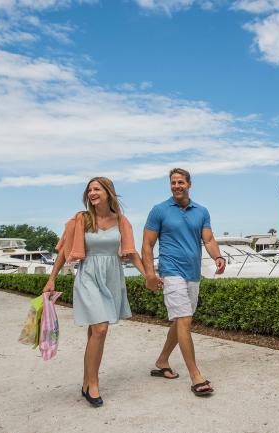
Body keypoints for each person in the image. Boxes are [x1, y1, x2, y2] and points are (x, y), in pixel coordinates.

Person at [43, 177, 147, 407]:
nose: (92, 192)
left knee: (95, 333)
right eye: (89, 189)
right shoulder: (81, 219)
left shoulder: (121, 221)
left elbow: (131, 253)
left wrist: (148, 275)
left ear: (108, 192)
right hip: (89, 275)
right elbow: (64, 252)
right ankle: (94, 383)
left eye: (97, 188)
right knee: (100, 328)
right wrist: (52, 279)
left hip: (112, 277)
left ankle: (85, 382)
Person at [142, 168, 225, 397]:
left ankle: (162, 361)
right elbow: (147, 245)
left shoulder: (202, 211)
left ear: (189, 184)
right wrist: (150, 274)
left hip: (193, 273)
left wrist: (217, 256)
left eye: (180, 182)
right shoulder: (159, 210)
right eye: (173, 182)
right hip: (171, 271)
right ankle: (196, 376)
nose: (176, 186)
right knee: (185, 320)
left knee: (181, 322)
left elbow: (208, 239)